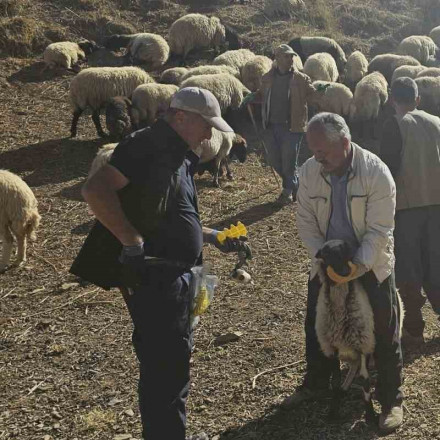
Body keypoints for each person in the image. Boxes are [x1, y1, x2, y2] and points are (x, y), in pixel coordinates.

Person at [73, 88, 245, 440]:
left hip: (178, 277)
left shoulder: (177, 153)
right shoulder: (146, 146)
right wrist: (131, 241)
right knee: (165, 372)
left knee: (174, 366)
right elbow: (95, 189)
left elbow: (171, 213)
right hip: (156, 277)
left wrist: (212, 236)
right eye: (206, 125)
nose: (210, 134)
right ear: (181, 117)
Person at [290, 112, 405, 434]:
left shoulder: (376, 173)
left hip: (371, 261)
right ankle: (316, 383)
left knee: (384, 326)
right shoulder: (311, 172)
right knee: (317, 324)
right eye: (313, 151)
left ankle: (391, 398)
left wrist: (358, 266)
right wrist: (323, 257)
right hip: (328, 260)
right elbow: (305, 220)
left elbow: (380, 228)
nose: (317, 157)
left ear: (344, 143)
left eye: (322, 151)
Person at [378, 77, 440, 346]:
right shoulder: (437, 122)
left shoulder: (394, 125)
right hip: (436, 205)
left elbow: (388, 171)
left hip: (406, 207)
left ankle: (414, 329)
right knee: (437, 263)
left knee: (409, 268)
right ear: (417, 99)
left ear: (392, 99)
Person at [258, 44, 316, 205]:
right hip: (271, 126)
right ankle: (296, 184)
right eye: (287, 56)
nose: (291, 59)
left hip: (293, 127)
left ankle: (287, 191)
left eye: (292, 56)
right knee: (274, 159)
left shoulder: (300, 79)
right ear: (277, 58)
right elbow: (261, 95)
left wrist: (321, 91)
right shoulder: (267, 78)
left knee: (289, 159)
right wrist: (251, 98)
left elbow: (312, 94)